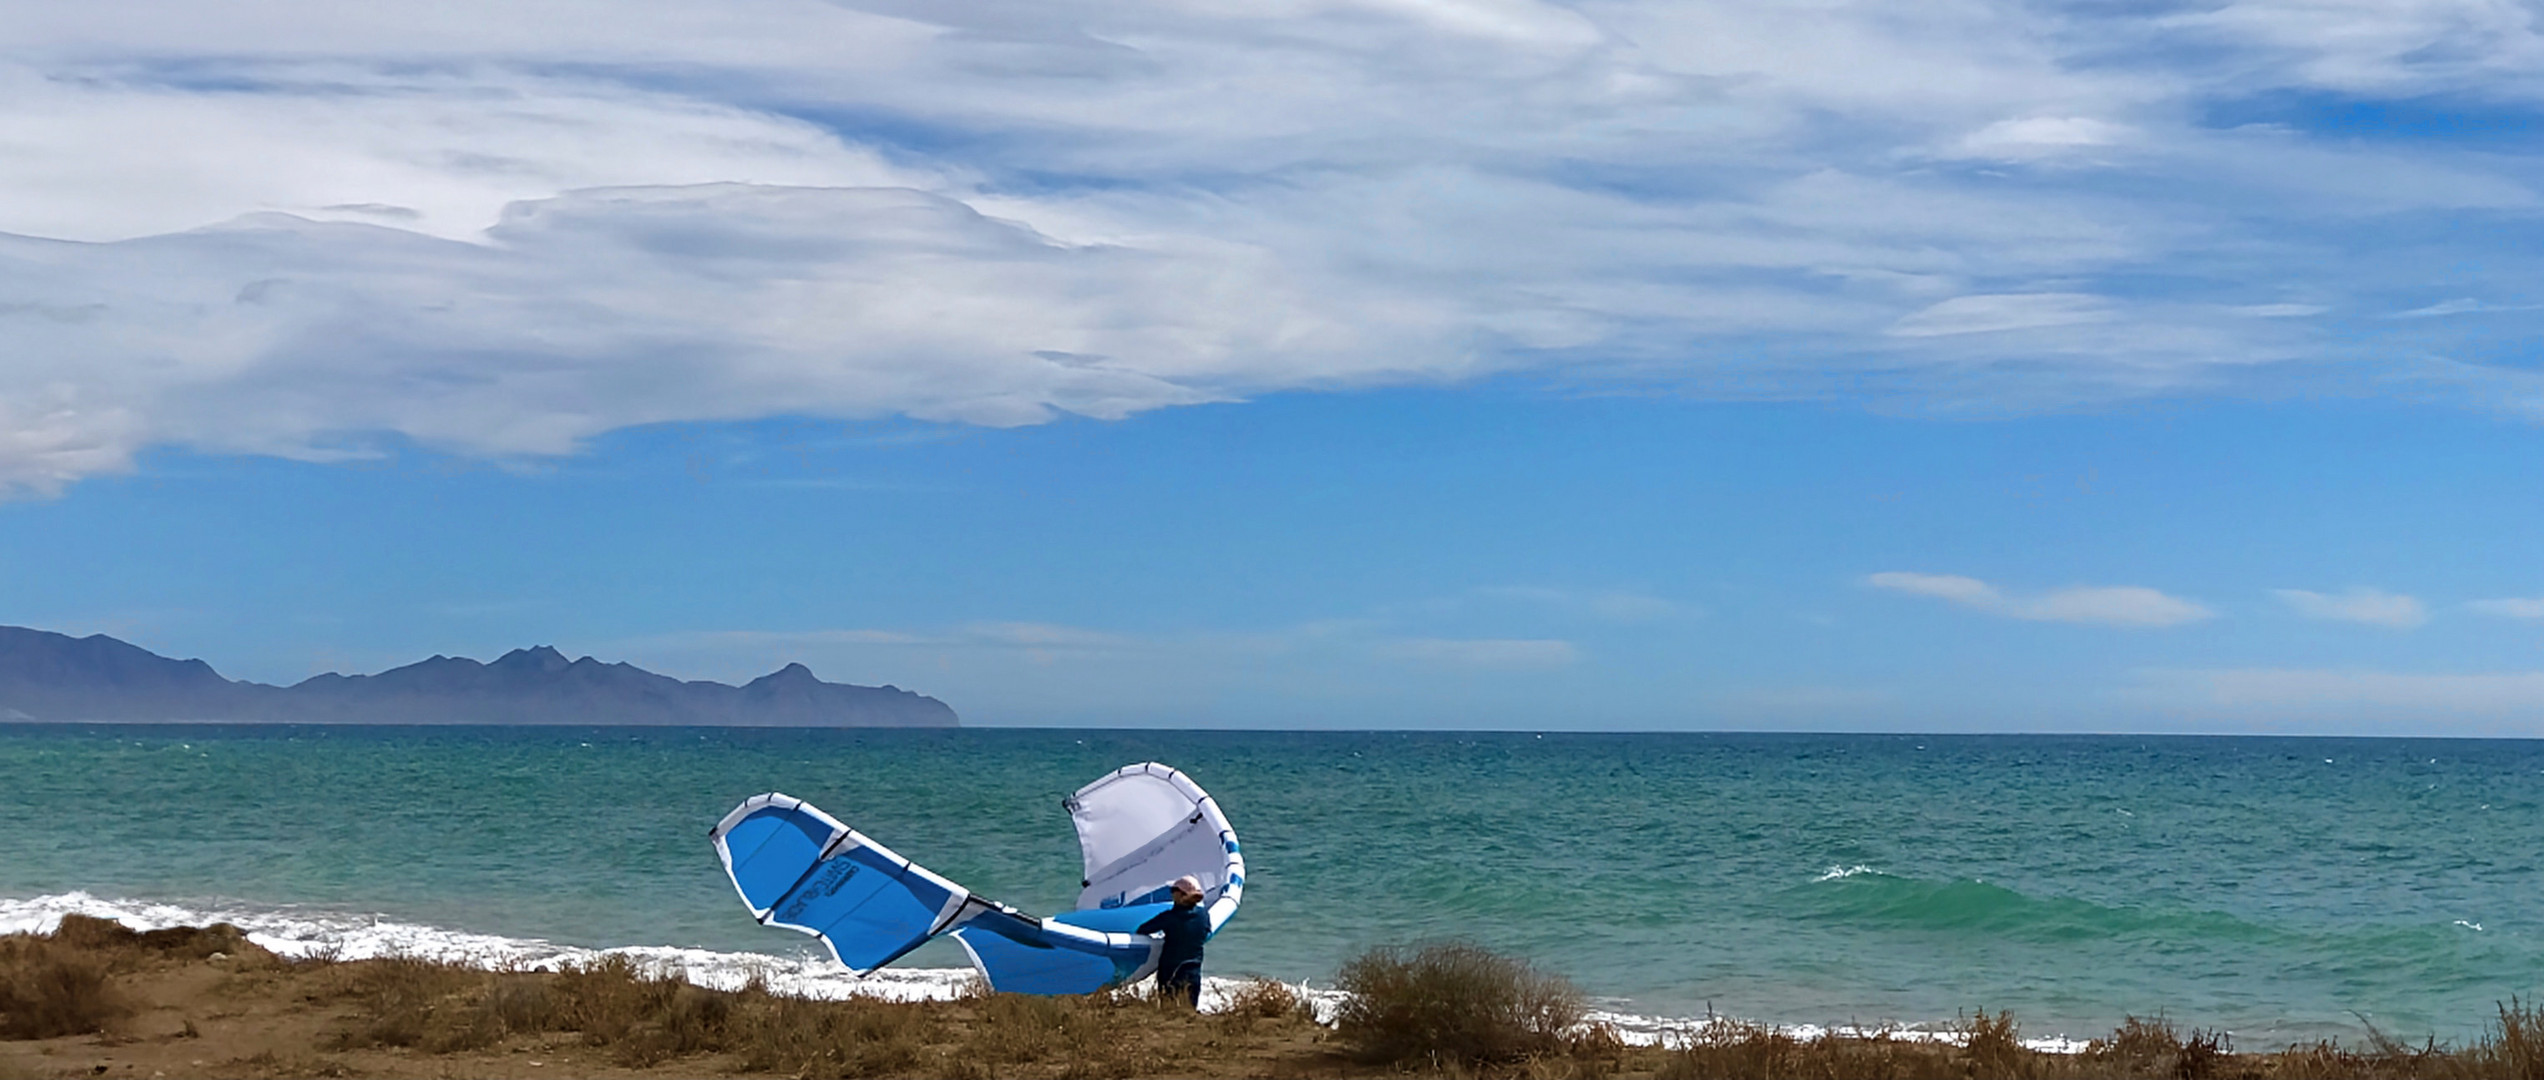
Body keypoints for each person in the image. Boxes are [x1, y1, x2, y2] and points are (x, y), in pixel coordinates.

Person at [1136, 875, 1210, 1008]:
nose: (1171, 893)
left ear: (1181, 894)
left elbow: (1142, 929)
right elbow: (1205, 931)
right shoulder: (1203, 915)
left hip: (1171, 972)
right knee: (1189, 1014)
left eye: (1173, 890)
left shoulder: (1169, 917)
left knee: (1168, 1013)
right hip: (1194, 972)